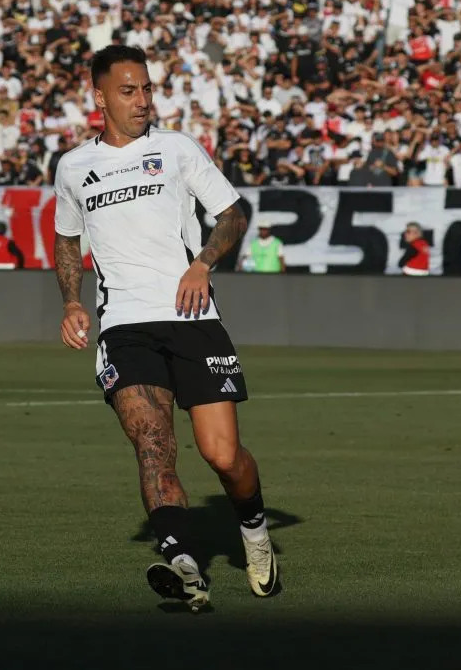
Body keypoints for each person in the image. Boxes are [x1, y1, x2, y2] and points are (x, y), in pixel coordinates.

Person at [52, 45, 279, 613]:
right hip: (125, 326)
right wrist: (72, 302)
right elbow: (66, 238)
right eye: (129, 91)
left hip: (192, 319)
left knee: (222, 455)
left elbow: (232, 214)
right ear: (99, 97)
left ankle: (254, 531)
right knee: (153, 445)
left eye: (148, 88)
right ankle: (183, 563)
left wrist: (202, 263)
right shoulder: (74, 166)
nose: (142, 100)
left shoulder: (176, 149)